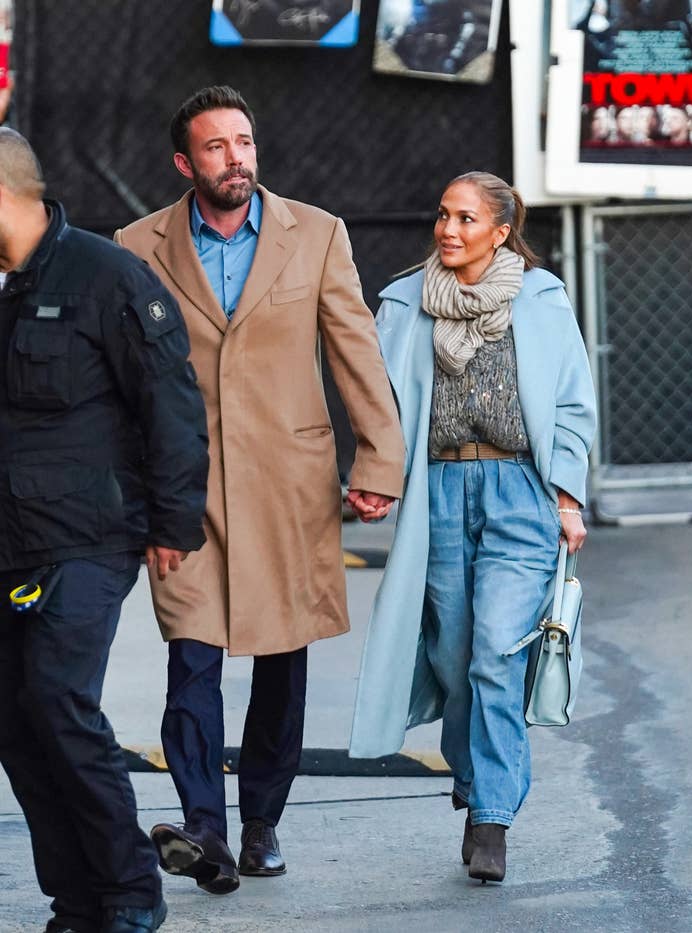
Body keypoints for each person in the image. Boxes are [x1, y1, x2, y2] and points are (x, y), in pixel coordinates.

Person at [115, 86, 405, 895]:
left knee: (282, 662)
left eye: (243, 140)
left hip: (289, 483)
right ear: (185, 162)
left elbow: (356, 352)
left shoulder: (316, 234)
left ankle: (261, 821)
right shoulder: (136, 247)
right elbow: (123, 380)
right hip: (185, 488)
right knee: (192, 656)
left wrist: (378, 462)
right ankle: (203, 824)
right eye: (216, 146)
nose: (236, 156)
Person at [349, 172, 596, 883]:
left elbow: (574, 403)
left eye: (465, 218)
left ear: (500, 230)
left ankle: (491, 814)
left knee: (495, 651)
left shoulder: (540, 300)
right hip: (439, 493)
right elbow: (377, 403)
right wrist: (375, 475)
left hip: (520, 490)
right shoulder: (405, 301)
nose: (448, 229)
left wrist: (567, 498)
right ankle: (475, 770)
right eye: (442, 215)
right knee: (455, 655)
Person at [0, 129, 209, 933]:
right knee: (16, 719)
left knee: (58, 698)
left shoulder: (106, 276)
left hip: (88, 534)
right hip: (11, 538)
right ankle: (79, 900)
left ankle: (130, 891)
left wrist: (173, 521)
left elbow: (172, 402)